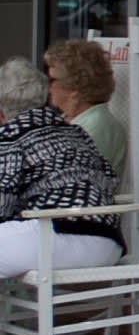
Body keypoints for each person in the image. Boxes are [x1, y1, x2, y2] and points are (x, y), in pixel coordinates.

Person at [0, 55, 122, 276]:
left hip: (55, 236)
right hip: (108, 243)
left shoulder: (10, 137)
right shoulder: (75, 132)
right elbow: (110, 178)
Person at [44, 37, 125, 178]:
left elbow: (67, 177)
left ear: (74, 88)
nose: (48, 86)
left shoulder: (97, 126)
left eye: (52, 80)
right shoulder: (70, 120)